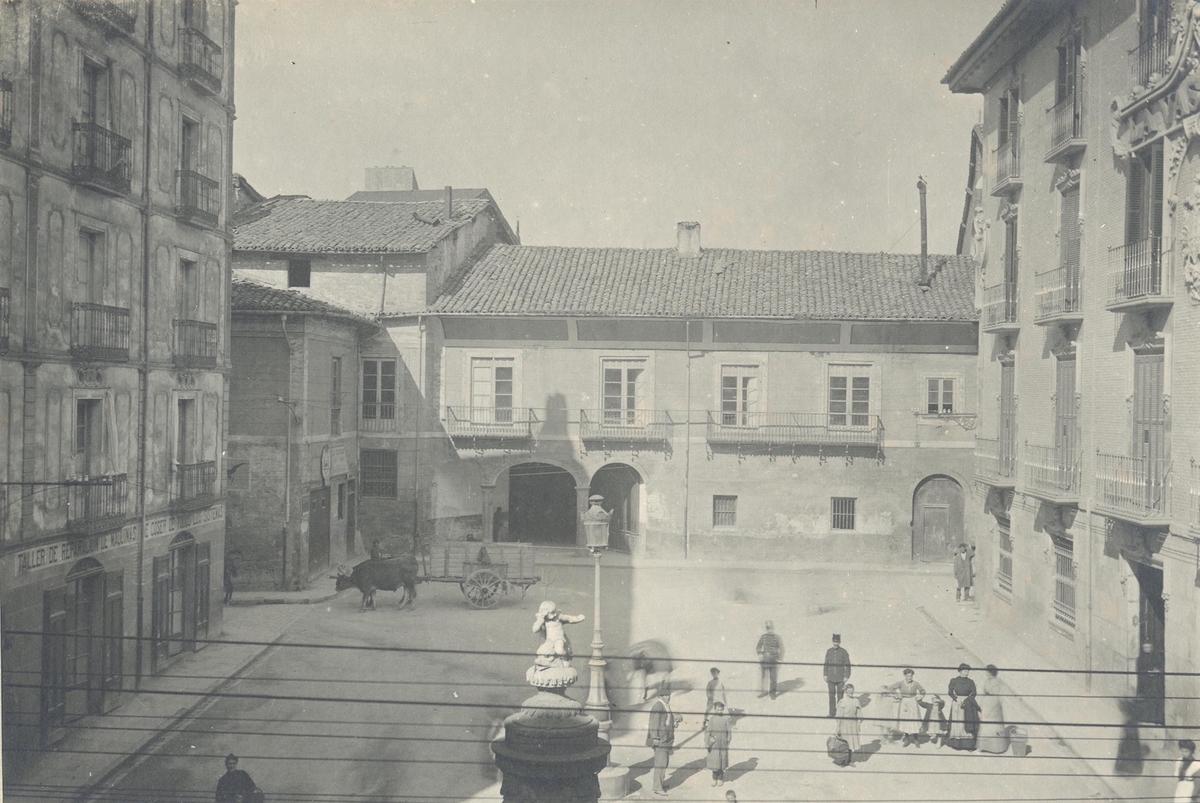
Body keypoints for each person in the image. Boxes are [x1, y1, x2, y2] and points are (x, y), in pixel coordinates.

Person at [647, 684, 682, 796]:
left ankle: (660, 783)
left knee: (664, 763)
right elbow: (653, 723)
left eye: (669, 695)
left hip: (666, 739)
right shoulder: (658, 706)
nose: (668, 697)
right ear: (661, 696)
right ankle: (657, 787)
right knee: (660, 764)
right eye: (666, 695)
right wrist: (655, 738)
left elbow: (667, 720)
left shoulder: (666, 705)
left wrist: (674, 722)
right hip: (660, 740)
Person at [887, 668, 926, 747]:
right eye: (907, 676)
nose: (909, 678)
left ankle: (916, 739)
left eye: (911, 676)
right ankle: (907, 739)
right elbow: (891, 687)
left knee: (914, 720)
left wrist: (920, 696)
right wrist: (897, 695)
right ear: (905, 676)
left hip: (913, 702)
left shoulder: (915, 683)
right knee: (905, 721)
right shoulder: (901, 683)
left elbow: (922, 691)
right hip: (904, 703)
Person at [945, 663, 980, 751]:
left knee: (967, 723)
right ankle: (957, 744)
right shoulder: (954, 680)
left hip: (967, 704)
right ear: (960, 671)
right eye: (964, 671)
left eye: (967, 671)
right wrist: (956, 698)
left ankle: (968, 745)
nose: (966, 673)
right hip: (957, 704)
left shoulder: (971, 682)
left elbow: (974, 693)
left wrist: (967, 700)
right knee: (958, 724)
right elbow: (950, 692)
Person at [977, 665, 1009, 754]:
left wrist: (989, 708)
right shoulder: (988, 680)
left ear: (990, 672)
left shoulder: (996, 683)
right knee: (985, 724)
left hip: (993, 705)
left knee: (993, 725)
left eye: (987, 672)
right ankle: (984, 746)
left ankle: (995, 748)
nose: (986, 673)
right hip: (987, 703)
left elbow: (995, 696)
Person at [1136, 640, 1165, 725]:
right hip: (1144, 683)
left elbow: (1160, 666)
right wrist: (1147, 672)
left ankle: (1155, 718)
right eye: (1145, 647)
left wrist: (1157, 671)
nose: (1147, 649)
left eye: (1148, 647)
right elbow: (1139, 670)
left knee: (1154, 701)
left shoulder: (1156, 657)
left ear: (1152, 648)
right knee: (1145, 700)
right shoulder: (1140, 658)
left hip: (1154, 683)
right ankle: (1144, 718)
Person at [823, 634, 852, 717]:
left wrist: (847, 676)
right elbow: (826, 664)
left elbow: (848, 665)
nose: (836, 643)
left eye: (837, 642)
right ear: (832, 641)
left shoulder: (843, 652)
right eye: (834, 642)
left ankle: (840, 713)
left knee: (840, 696)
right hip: (830, 678)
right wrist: (825, 675)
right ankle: (831, 713)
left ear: (840, 642)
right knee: (831, 696)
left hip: (840, 679)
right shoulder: (829, 651)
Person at [705, 700, 732, 787]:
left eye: (721, 710)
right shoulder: (712, 719)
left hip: (723, 743)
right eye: (717, 710)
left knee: (721, 761)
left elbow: (729, 731)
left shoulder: (726, 719)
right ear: (714, 709)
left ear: (723, 709)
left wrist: (728, 740)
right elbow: (708, 731)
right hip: (714, 743)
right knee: (714, 762)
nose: (719, 711)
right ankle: (714, 779)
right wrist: (707, 741)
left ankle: (720, 779)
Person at [834, 683, 862, 760]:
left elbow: (859, 715)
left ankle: (848, 759)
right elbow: (839, 717)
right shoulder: (842, 702)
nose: (851, 692)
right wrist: (838, 728)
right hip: (844, 725)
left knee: (851, 743)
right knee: (845, 743)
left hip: (853, 725)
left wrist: (858, 725)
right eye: (849, 691)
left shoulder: (856, 701)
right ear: (845, 691)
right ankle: (843, 760)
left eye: (852, 691)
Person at [755, 621, 783, 700]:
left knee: (773, 677)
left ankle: (772, 694)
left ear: (772, 628)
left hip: (773, 659)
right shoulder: (763, 637)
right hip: (765, 659)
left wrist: (779, 659)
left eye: (770, 628)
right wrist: (760, 653)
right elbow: (758, 646)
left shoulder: (776, 637)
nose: (769, 629)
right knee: (763, 677)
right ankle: (763, 692)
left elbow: (780, 649)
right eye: (768, 628)